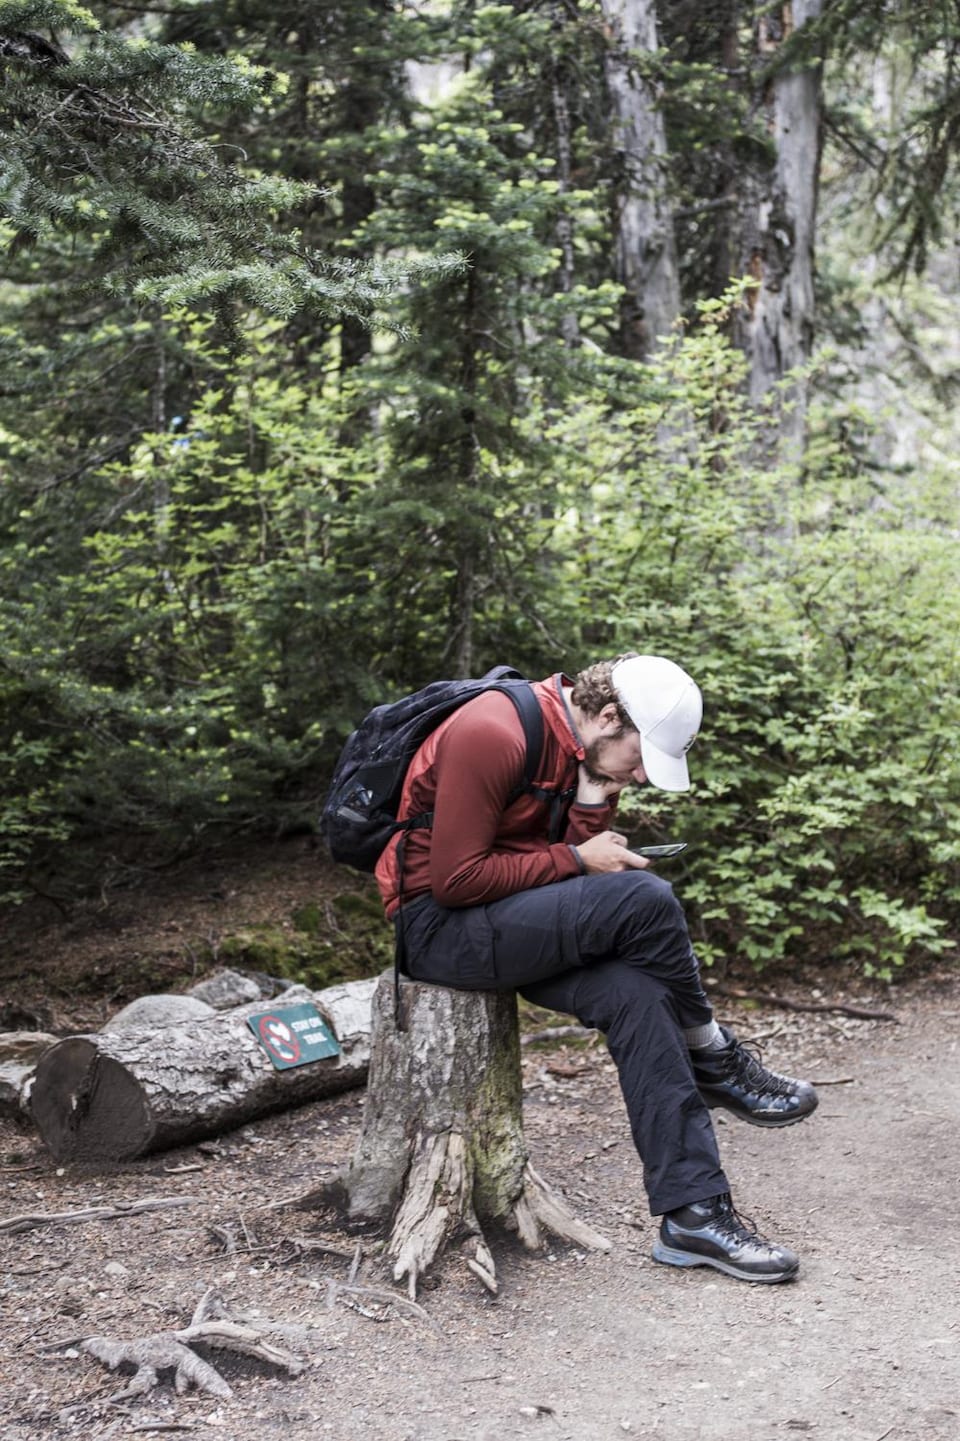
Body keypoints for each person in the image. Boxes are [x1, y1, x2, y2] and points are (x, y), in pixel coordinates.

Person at [374, 653, 817, 1283]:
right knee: (646, 897)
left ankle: (693, 1213)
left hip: (511, 926)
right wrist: (578, 857)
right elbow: (455, 880)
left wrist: (587, 810)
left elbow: (546, 864)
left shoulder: (582, 758)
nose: (637, 777)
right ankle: (714, 1056)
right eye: (638, 759)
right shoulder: (492, 731)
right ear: (608, 716)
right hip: (439, 932)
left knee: (641, 996)